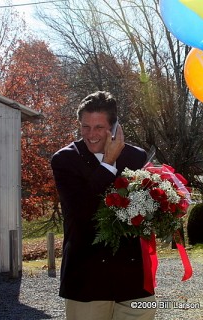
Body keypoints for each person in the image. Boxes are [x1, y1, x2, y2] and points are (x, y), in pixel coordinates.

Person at [51, 91, 156, 320]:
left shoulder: (137, 157)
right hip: (87, 281)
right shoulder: (64, 160)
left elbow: (145, 211)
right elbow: (81, 213)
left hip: (133, 282)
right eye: (85, 126)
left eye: (99, 127)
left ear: (115, 126)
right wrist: (108, 164)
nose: (91, 134)